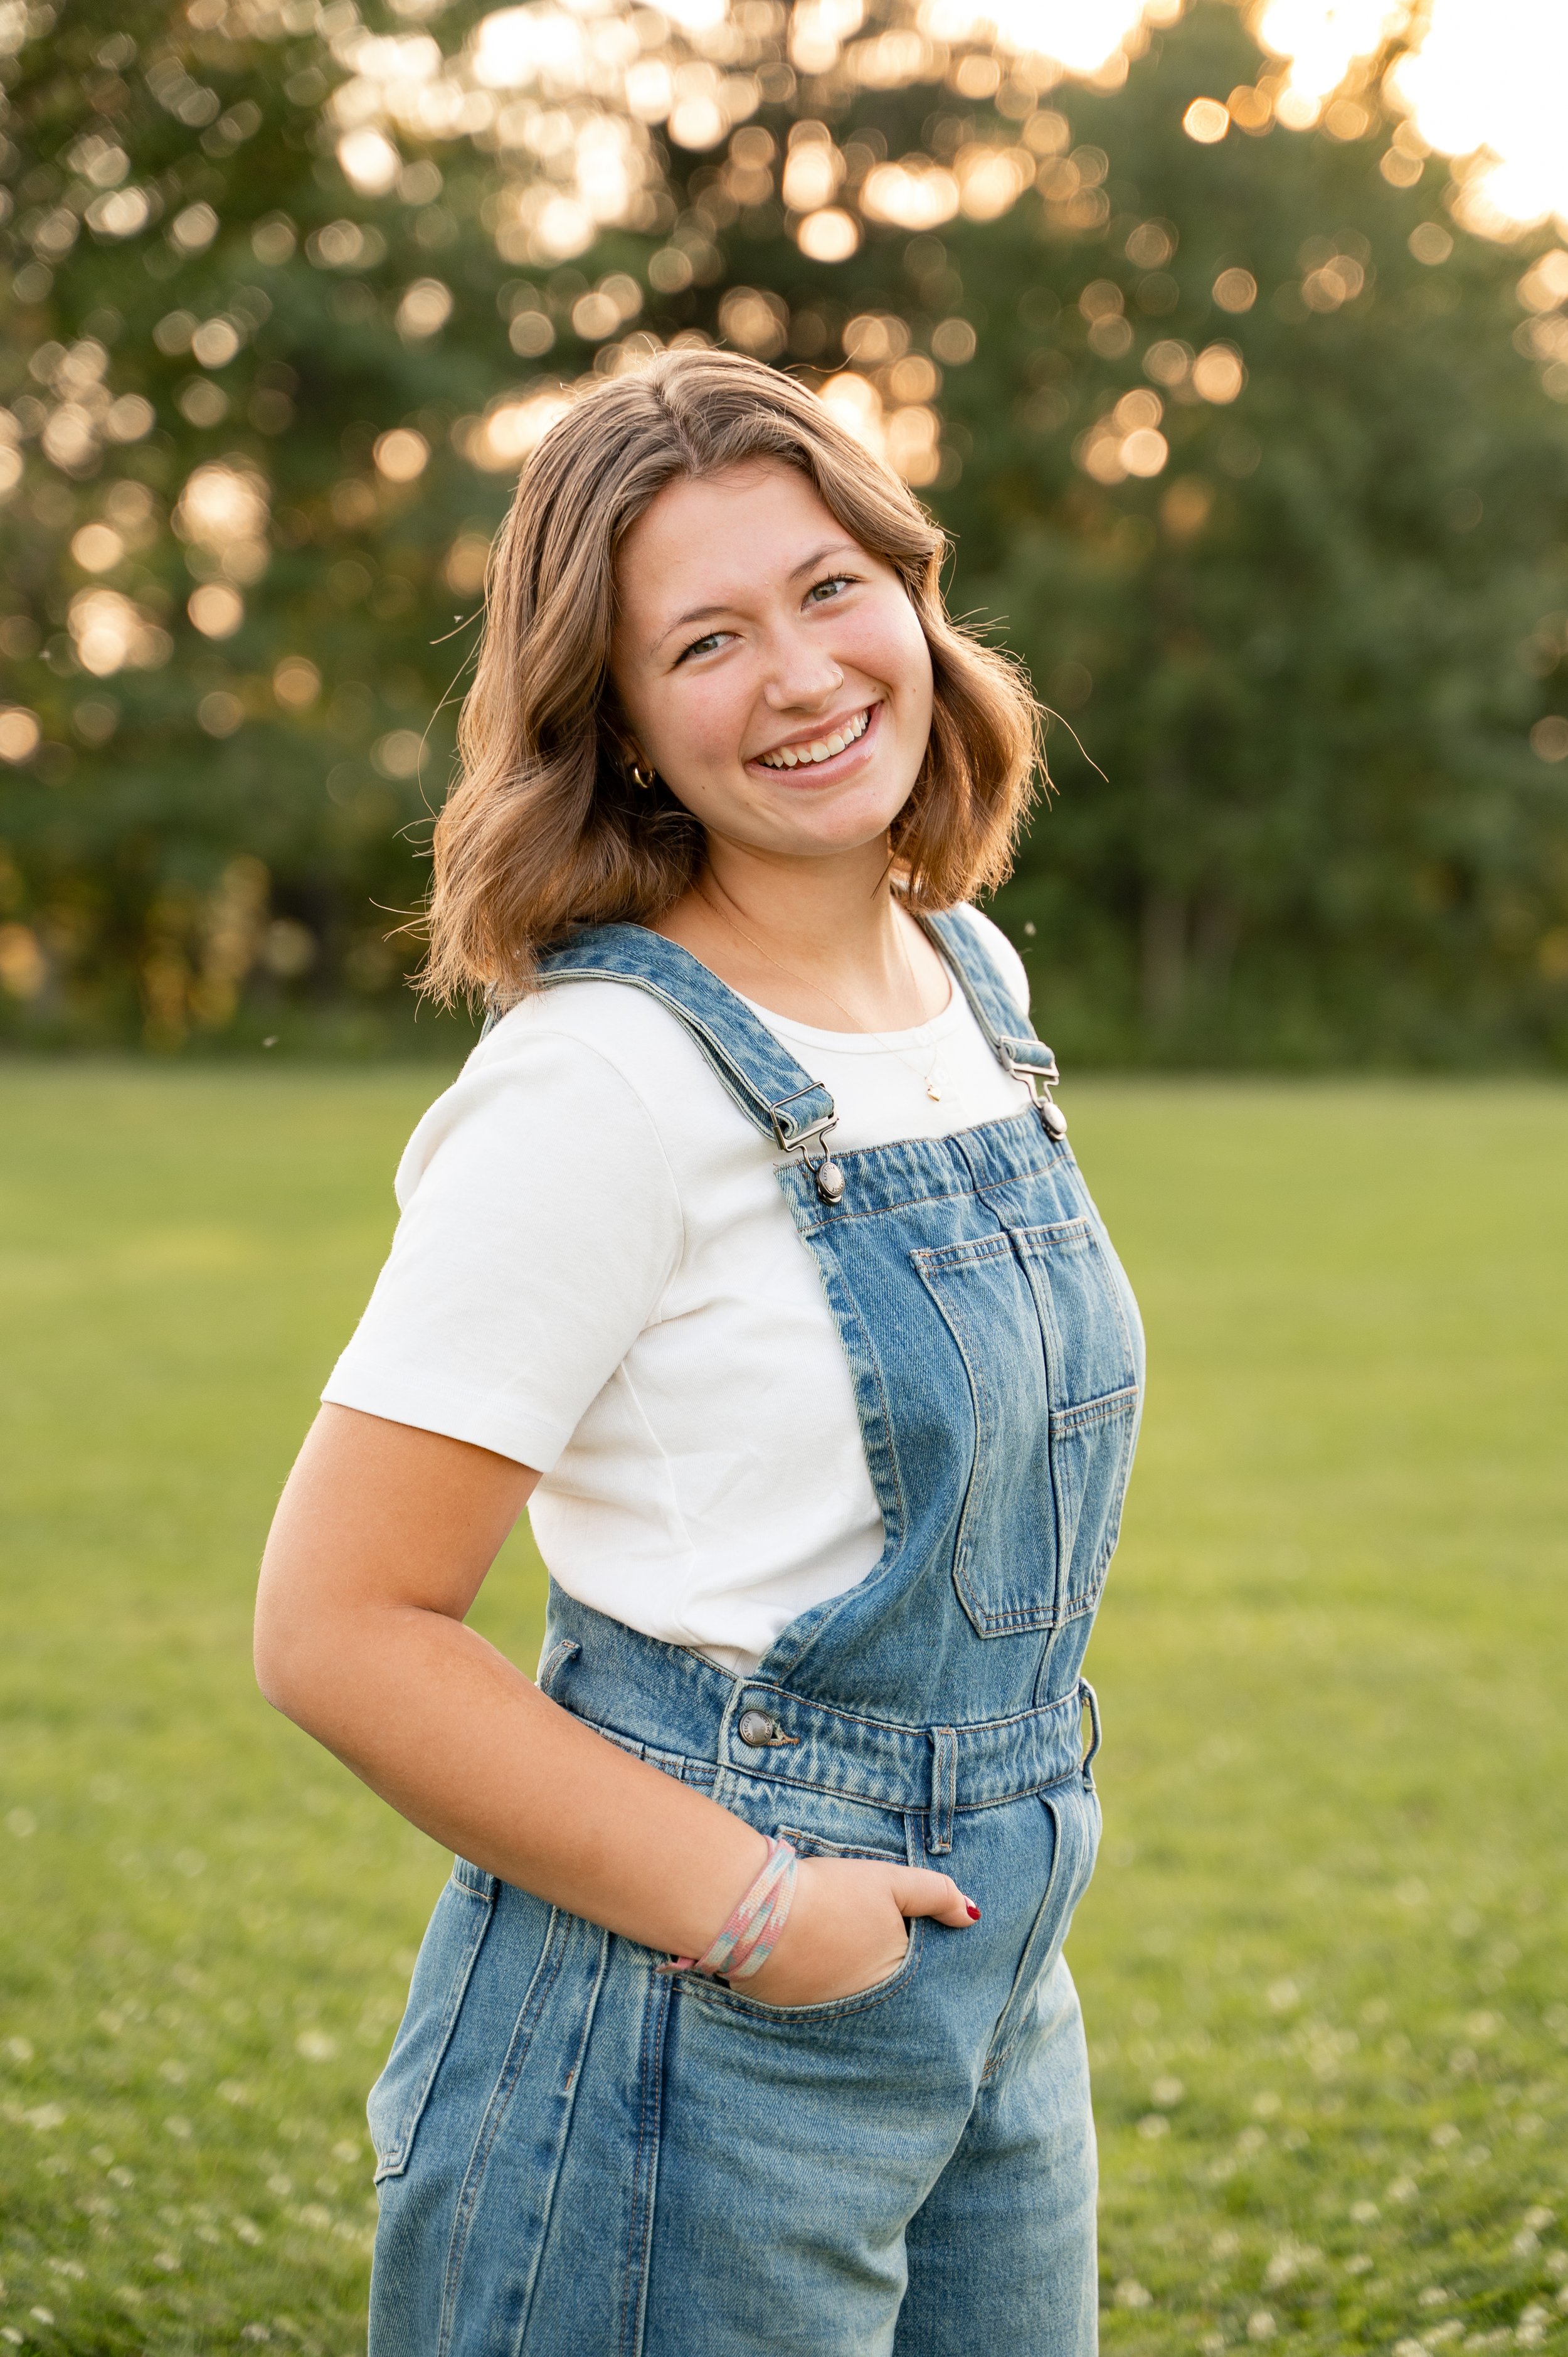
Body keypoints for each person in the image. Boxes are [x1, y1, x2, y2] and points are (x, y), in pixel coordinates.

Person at [255, 348, 1143, 2356]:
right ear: (626, 725)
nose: (804, 676)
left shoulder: (966, 979)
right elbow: (339, 1623)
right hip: (683, 2019)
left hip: (993, 1980)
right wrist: (770, 1917)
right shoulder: (599, 1083)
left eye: (830, 590)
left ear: (912, 597)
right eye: (707, 639)